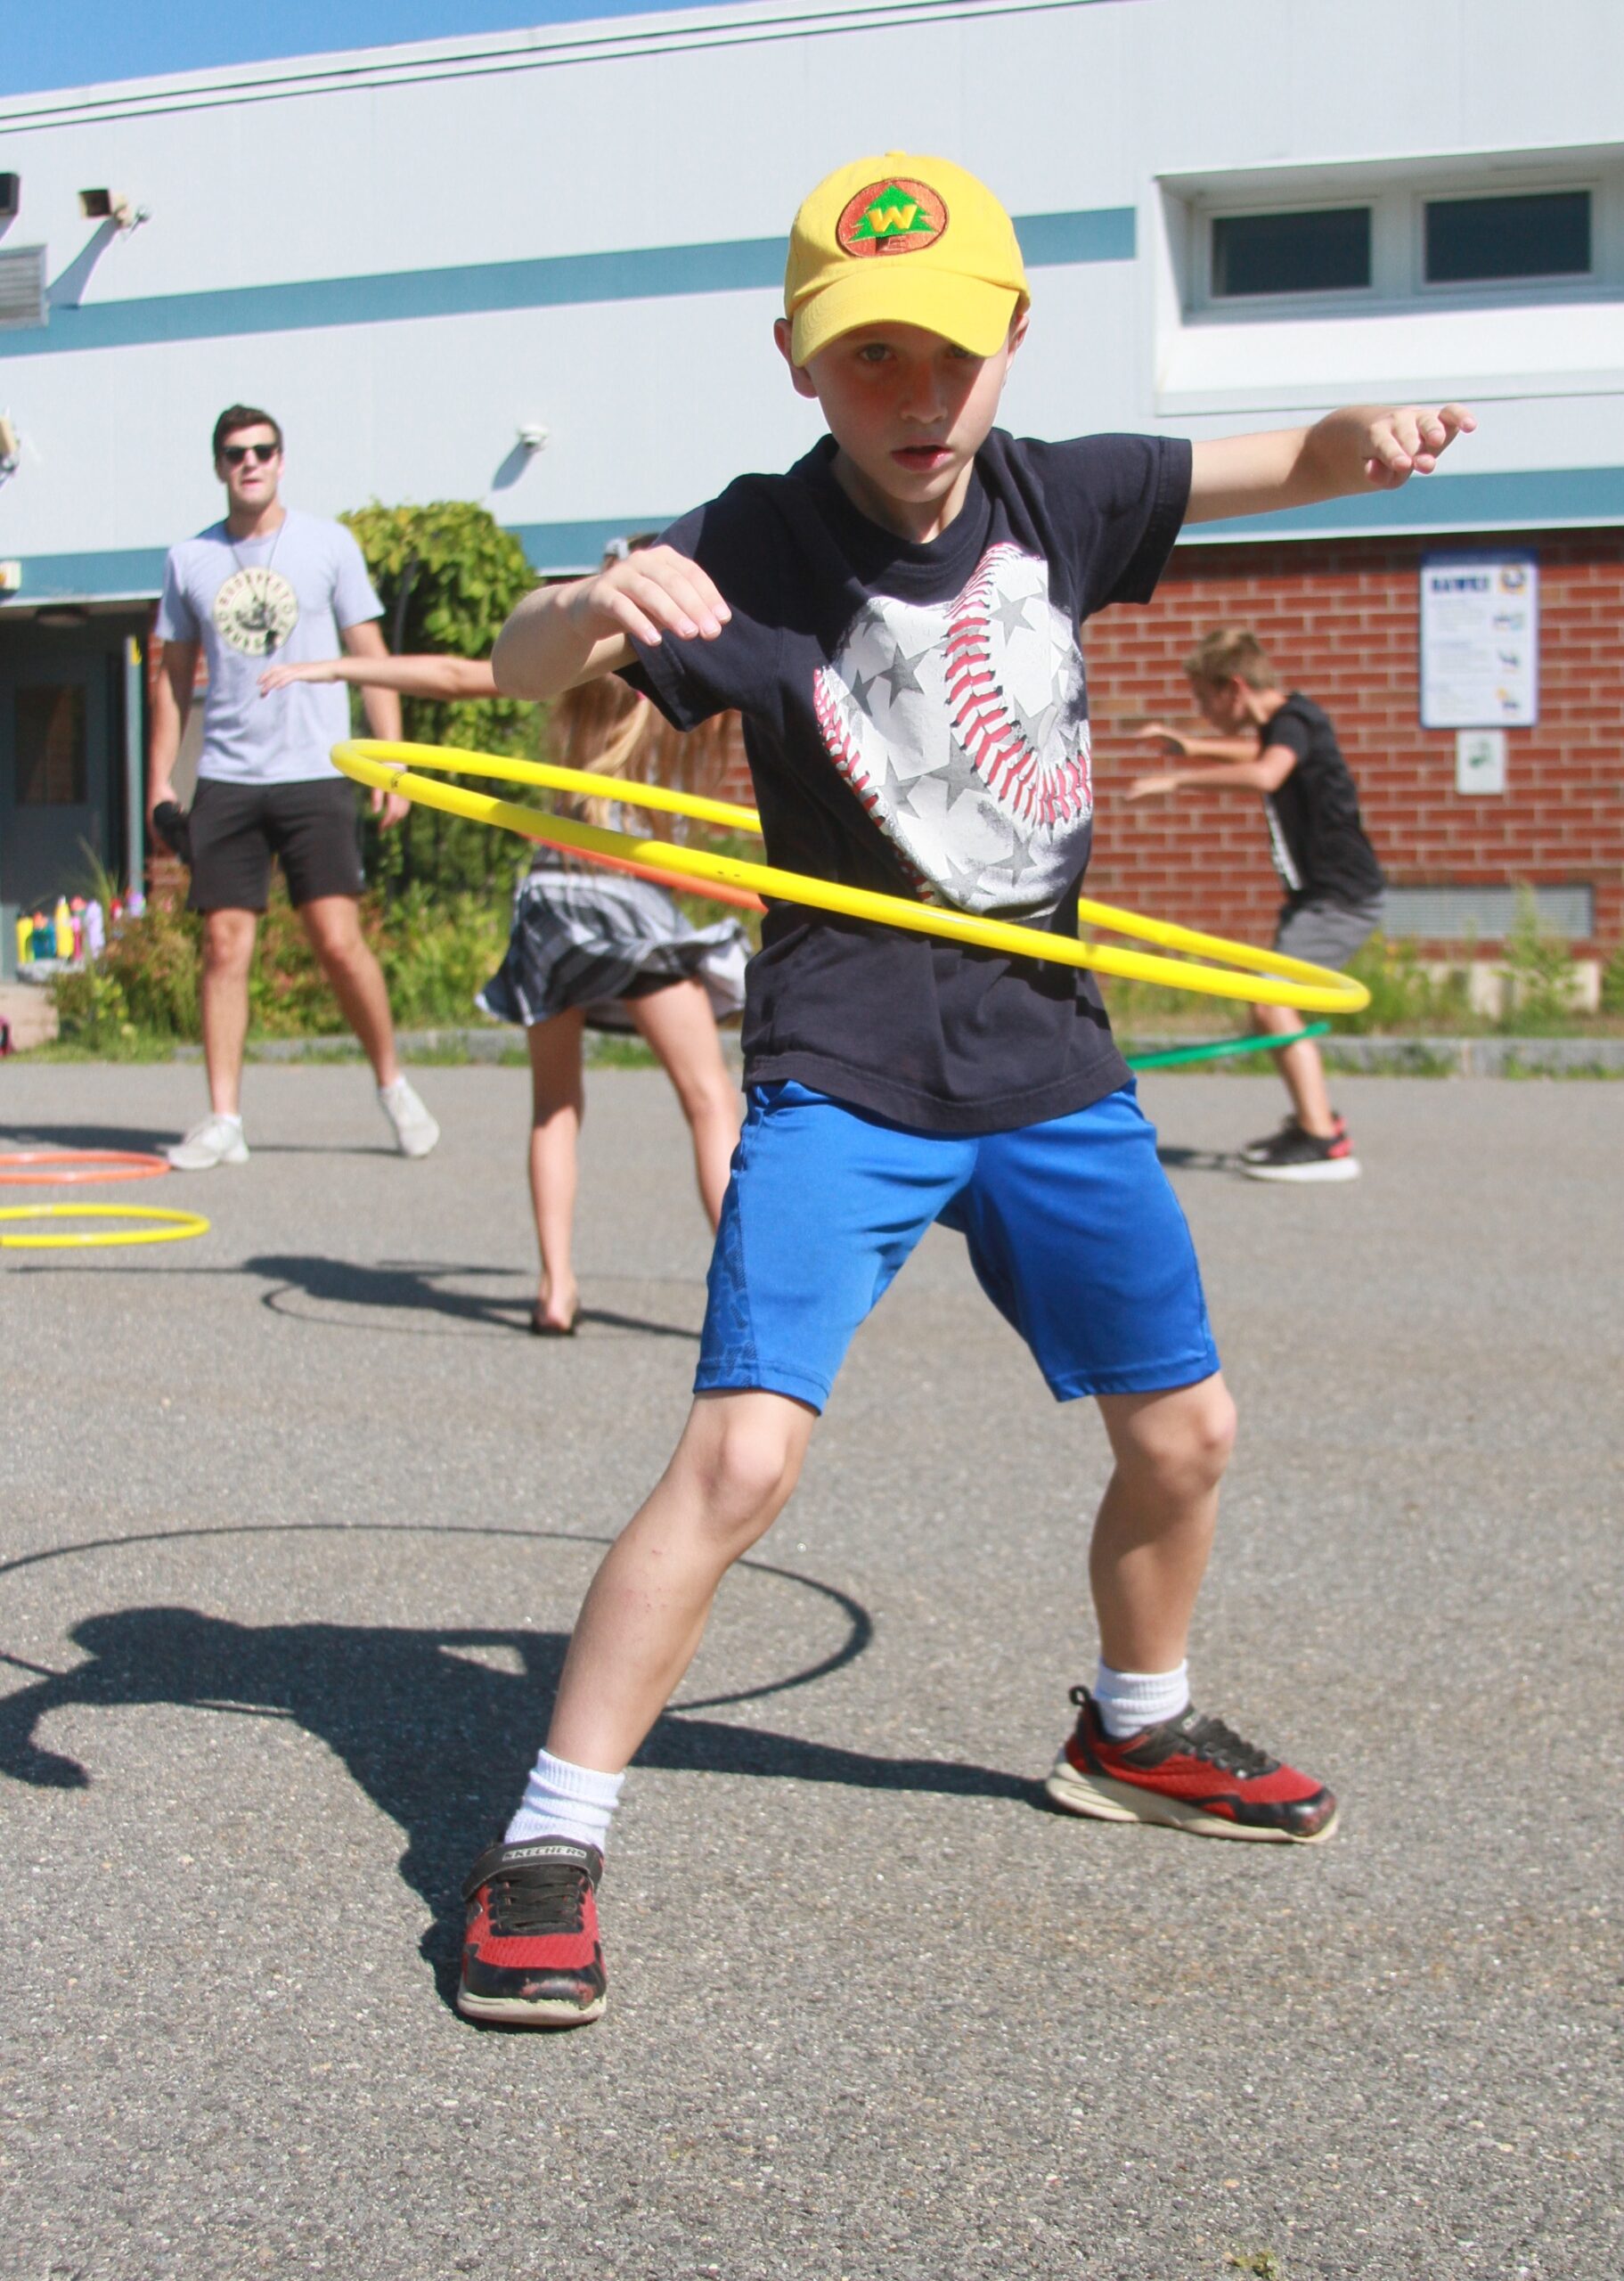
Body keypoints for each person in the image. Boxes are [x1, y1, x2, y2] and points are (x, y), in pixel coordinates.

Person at [454, 150, 1473, 2028]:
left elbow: (1295, 465)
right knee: (743, 1454)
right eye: (865, 361)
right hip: (848, 1058)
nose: (912, 398)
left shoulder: (1057, 491)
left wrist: (1370, 426)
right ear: (797, 363)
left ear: (1012, 335)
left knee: (1185, 1434)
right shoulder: (750, 540)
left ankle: (1132, 1725)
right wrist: (594, 601)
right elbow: (521, 671)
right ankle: (549, 1827)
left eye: (945, 354)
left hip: (1048, 1055)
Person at [259, 621, 747, 1334]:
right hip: (629, 901)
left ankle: (555, 1287)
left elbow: (458, 675)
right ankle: (744, 1297)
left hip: (553, 902)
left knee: (554, 1105)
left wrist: (338, 668)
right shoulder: (697, 687)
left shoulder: (581, 670)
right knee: (708, 1102)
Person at [149, 404, 438, 1170]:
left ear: (281, 460)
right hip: (228, 779)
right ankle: (223, 1118)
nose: (250, 462)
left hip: (316, 770)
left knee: (338, 944)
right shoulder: (188, 561)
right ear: (219, 466)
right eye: (235, 453)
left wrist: (393, 763)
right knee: (222, 944)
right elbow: (171, 686)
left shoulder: (326, 545)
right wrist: (158, 785)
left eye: (263, 450)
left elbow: (370, 654)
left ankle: (392, 1083)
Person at [1125, 628, 1386, 1181]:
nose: (1202, 711)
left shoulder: (1294, 723)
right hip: (1318, 895)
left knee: (1273, 1005)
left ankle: (1321, 1136)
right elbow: (1261, 751)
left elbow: (1267, 770)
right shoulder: (1290, 722)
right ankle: (1313, 1123)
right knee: (1267, 1005)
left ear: (1234, 688)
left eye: (1204, 700)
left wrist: (1178, 779)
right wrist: (1194, 745)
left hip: (1339, 898)